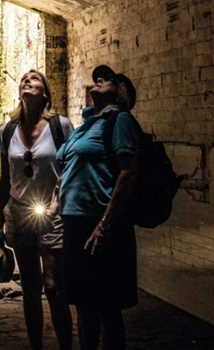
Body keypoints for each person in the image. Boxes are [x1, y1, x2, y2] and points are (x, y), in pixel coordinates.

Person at [56, 65, 140, 350]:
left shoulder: (120, 121)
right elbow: (67, 164)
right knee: (83, 304)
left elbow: (127, 173)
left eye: (108, 79)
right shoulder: (85, 126)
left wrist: (104, 226)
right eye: (96, 78)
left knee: (106, 308)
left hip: (101, 223)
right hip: (75, 223)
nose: (99, 79)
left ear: (122, 93)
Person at [0, 70, 74, 350]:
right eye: (24, 79)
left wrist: (57, 205)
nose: (28, 80)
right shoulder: (7, 131)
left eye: (35, 78)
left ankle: (65, 344)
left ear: (46, 93)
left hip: (52, 215)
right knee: (30, 288)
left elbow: (70, 172)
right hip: (19, 214)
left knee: (54, 287)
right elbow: (5, 179)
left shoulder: (60, 127)